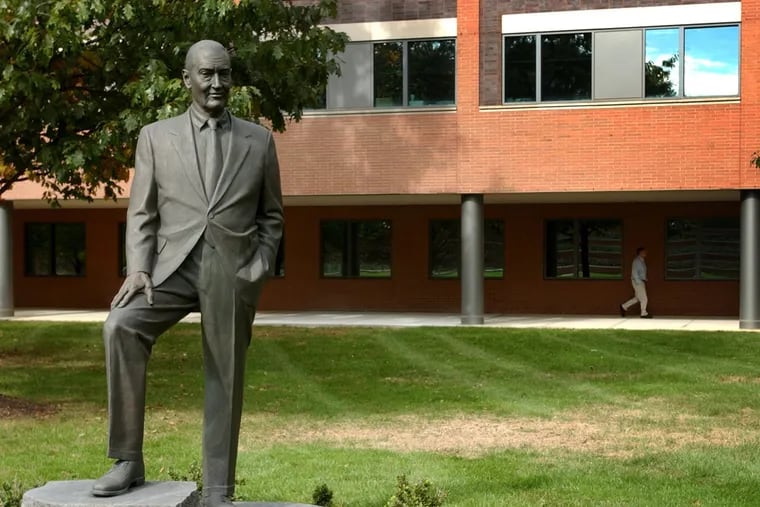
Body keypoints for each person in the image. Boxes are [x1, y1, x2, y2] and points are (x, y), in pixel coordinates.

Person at [91, 40, 284, 507]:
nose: (216, 83)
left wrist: (255, 269)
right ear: (187, 80)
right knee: (120, 326)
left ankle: (218, 489)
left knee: (225, 373)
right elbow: (142, 213)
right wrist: (137, 267)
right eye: (206, 74)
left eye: (223, 74)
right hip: (168, 268)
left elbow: (271, 217)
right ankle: (127, 461)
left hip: (231, 270)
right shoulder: (155, 136)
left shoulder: (258, 140)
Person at [619, 247, 652, 318]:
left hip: (640, 281)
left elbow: (641, 272)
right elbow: (634, 272)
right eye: (644, 252)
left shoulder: (641, 261)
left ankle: (624, 306)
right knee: (644, 298)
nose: (645, 253)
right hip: (638, 282)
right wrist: (638, 282)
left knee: (637, 298)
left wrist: (645, 279)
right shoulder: (636, 261)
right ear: (640, 253)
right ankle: (643, 313)